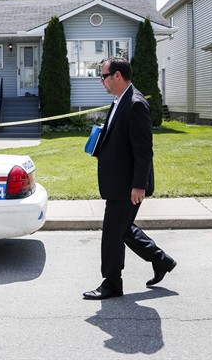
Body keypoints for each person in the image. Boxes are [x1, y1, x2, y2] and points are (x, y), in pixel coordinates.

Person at [83, 57, 177, 300]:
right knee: (122, 229)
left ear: (117, 76)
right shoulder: (119, 101)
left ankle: (112, 283)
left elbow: (144, 150)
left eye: (103, 76)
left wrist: (138, 185)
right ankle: (160, 260)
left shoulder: (136, 104)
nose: (101, 81)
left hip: (127, 185)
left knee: (113, 232)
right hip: (117, 180)